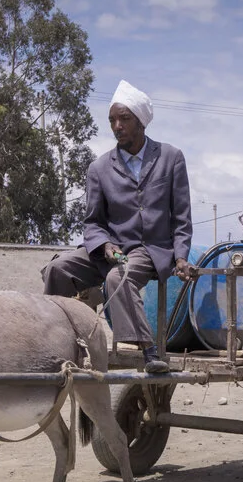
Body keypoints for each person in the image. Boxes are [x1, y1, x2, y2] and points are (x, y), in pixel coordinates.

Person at [42, 80, 195, 374]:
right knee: (57, 268)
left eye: (124, 118)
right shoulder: (99, 168)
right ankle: (52, 340)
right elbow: (93, 222)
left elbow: (182, 216)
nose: (117, 126)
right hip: (107, 249)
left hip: (150, 249)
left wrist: (180, 257)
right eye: (112, 119)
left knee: (118, 277)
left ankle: (148, 352)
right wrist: (105, 245)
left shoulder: (170, 158)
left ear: (141, 122)